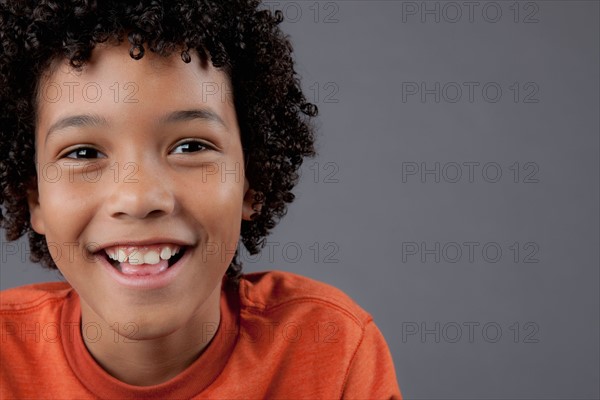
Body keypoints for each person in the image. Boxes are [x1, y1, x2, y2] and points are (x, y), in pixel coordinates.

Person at [0, 1, 402, 398]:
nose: (139, 198)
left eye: (191, 147)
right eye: (83, 154)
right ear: (34, 197)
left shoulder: (330, 348)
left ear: (252, 181)